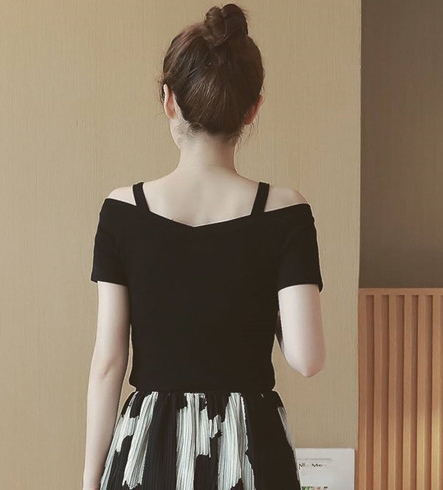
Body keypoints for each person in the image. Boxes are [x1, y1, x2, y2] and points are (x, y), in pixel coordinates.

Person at [83, 3, 325, 490]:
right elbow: (307, 359)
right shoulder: (286, 212)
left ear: (168, 100)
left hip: (149, 446)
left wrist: (91, 480)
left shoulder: (122, 211)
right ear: (253, 108)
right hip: (250, 446)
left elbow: (109, 363)